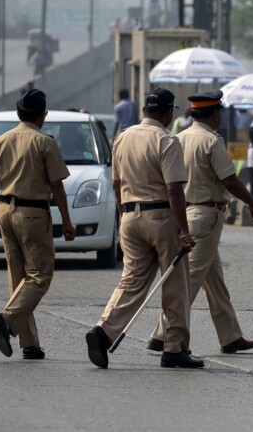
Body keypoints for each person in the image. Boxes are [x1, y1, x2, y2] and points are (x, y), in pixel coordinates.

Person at [86, 88, 201, 370]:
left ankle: (104, 330)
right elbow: (174, 189)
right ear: (168, 112)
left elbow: (116, 183)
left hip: (129, 215)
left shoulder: (122, 137)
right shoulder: (166, 140)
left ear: (144, 111)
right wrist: (184, 231)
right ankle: (174, 348)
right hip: (161, 216)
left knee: (131, 281)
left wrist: (126, 211)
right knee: (175, 285)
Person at [146, 90, 253, 355]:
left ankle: (231, 336)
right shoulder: (212, 141)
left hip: (184, 212)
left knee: (214, 280)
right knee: (189, 280)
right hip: (206, 215)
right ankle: (162, 334)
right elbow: (229, 179)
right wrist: (252, 202)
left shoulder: (178, 137)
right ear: (215, 114)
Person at [0, 89, 75, 360]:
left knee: (19, 278)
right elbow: (56, 185)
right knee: (39, 276)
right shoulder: (44, 142)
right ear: (41, 115)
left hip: (4, 211)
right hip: (32, 215)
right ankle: (6, 319)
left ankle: (29, 343)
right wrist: (67, 222)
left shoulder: (1, 139)